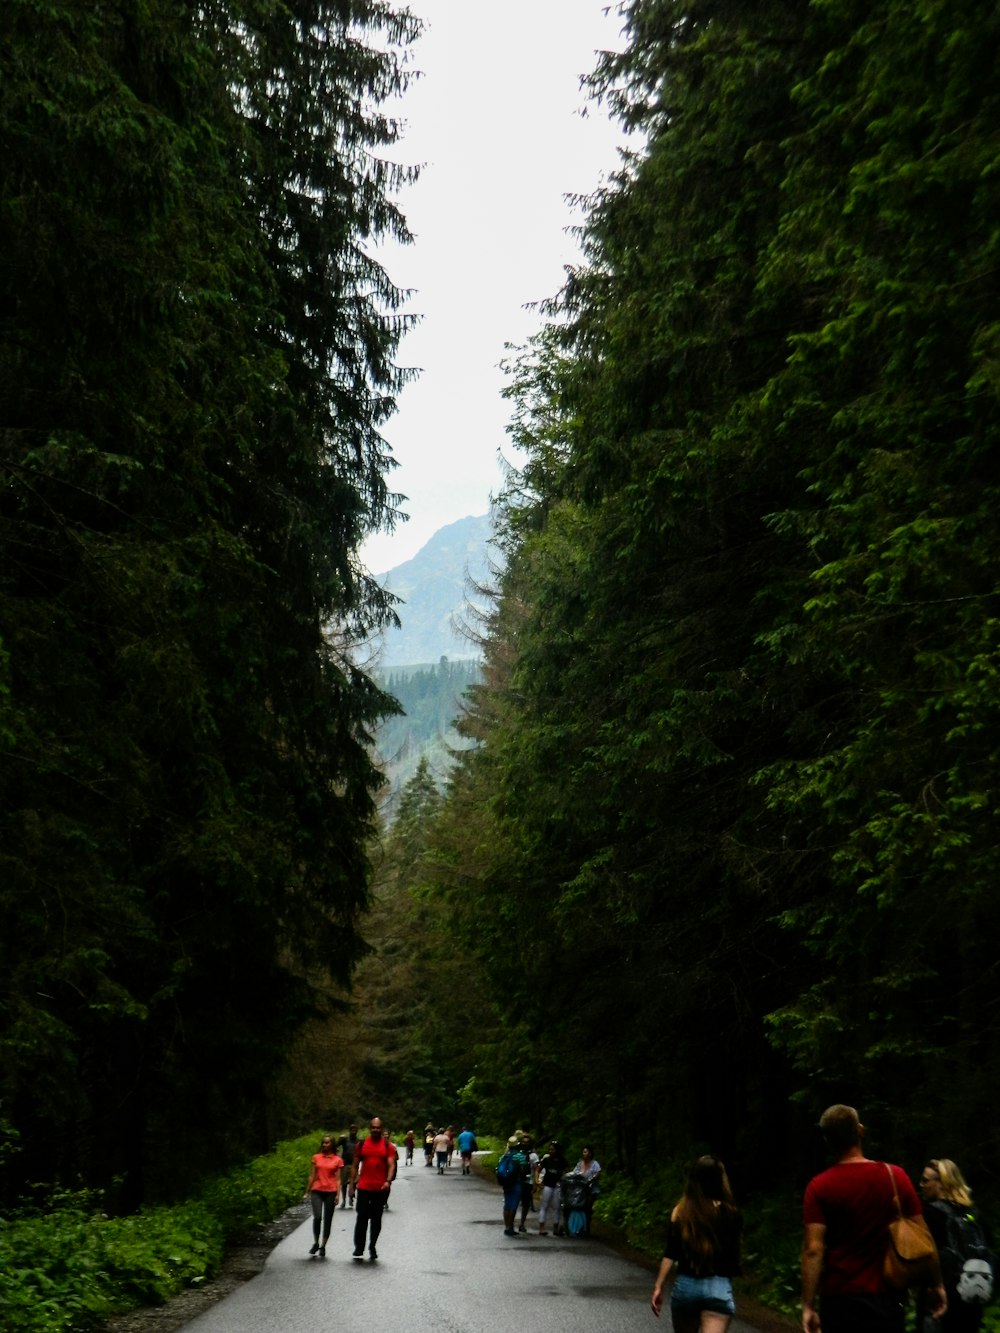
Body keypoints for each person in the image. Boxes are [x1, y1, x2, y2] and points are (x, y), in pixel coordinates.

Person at [801, 1104, 946, 1333]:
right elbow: (924, 1236)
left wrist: (808, 1305)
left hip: (839, 1299)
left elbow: (814, 1249)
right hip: (887, 1297)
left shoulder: (819, 1187)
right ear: (860, 1130)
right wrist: (936, 1283)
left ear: (827, 1140)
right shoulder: (895, 1176)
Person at [651, 1154, 742, 1332]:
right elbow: (733, 1255)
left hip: (687, 1286)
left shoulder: (681, 1212)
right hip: (719, 1287)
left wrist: (658, 1286)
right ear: (720, 1180)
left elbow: (671, 1252)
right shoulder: (732, 1214)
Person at [919, 1159, 990, 1332]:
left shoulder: (929, 1214)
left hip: (938, 1300)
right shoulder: (975, 1215)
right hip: (971, 1296)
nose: (921, 1185)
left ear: (941, 1183)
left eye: (925, 1180)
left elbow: (923, 1257)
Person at [349, 1116, 397, 1260]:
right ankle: (359, 1247)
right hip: (364, 1187)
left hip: (380, 1188)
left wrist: (388, 1181)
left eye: (378, 1127)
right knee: (362, 1218)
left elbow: (391, 1164)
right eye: (373, 1127)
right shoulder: (362, 1144)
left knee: (376, 1219)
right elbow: (355, 1165)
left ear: (381, 1129)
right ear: (370, 1128)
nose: (376, 1130)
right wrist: (351, 1185)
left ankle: (372, 1246)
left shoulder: (387, 1145)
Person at [304, 1134, 343, 1258]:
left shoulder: (337, 1160)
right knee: (317, 1217)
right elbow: (312, 1175)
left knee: (328, 1219)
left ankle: (323, 1246)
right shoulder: (316, 1157)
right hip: (317, 1190)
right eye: (324, 1143)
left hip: (330, 1191)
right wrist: (307, 1190)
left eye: (328, 1143)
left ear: (332, 1144)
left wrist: (338, 1194)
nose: (325, 1145)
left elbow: (338, 1179)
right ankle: (315, 1242)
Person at [499, 1134, 529, 1237]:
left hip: (506, 1183)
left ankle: (506, 1226)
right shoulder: (520, 1156)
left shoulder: (504, 1156)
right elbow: (524, 1169)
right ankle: (511, 1227)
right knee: (513, 1205)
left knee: (507, 1204)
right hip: (516, 1183)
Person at [536, 1139, 567, 1236]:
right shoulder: (546, 1159)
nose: (550, 1151)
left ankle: (555, 1228)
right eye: (549, 1149)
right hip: (547, 1185)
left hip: (557, 1186)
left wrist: (563, 1179)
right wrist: (537, 1180)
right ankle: (541, 1228)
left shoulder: (562, 1160)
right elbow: (538, 1169)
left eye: (552, 1149)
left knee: (557, 1207)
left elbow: (567, 1171)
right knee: (544, 1206)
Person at [573, 1144, 601, 1236]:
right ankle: (579, 1226)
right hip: (580, 1190)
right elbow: (574, 1173)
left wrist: (592, 1179)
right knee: (580, 1207)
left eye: (586, 1152)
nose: (583, 1153)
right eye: (583, 1152)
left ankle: (586, 1228)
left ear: (590, 1153)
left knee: (587, 1208)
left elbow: (598, 1173)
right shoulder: (579, 1163)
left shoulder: (595, 1164)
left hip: (591, 1190)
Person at [518, 1134, 540, 1233]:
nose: (525, 1144)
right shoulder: (518, 1154)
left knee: (526, 1204)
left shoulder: (533, 1156)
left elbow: (536, 1169)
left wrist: (536, 1182)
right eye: (523, 1142)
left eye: (527, 1142)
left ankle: (522, 1223)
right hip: (518, 1181)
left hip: (528, 1182)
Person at [337, 1122, 359, 1208]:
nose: (353, 1131)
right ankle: (344, 1200)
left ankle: (351, 1197)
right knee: (344, 1183)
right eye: (352, 1129)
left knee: (354, 1182)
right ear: (349, 1131)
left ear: (357, 1131)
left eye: (355, 1130)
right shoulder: (345, 1140)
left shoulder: (358, 1141)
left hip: (355, 1164)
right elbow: (335, 1145)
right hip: (345, 1164)